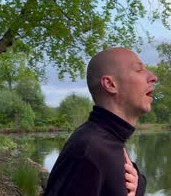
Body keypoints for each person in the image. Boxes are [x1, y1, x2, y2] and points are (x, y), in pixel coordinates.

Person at [44, 47, 158, 196]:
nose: (153, 77)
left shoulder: (110, 141)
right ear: (110, 84)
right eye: (139, 70)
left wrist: (138, 186)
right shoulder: (90, 151)